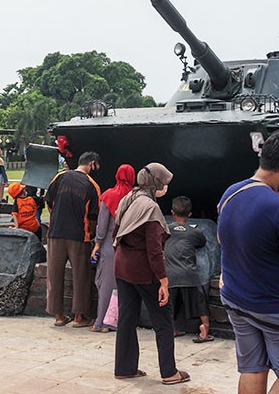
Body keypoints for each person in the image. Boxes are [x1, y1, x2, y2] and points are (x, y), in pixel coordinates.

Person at [217, 131, 279, 393]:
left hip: (236, 300)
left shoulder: (230, 193)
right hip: (275, 307)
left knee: (252, 367)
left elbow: (222, 238)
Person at [113, 163, 190, 385]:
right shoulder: (150, 209)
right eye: (164, 183)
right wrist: (163, 281)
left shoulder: (129, 198)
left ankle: (124, 368)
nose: (165, 188)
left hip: (122, 266)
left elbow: (116, 232)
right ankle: (169, 373)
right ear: (156, 183)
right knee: (164, 320)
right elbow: (154, 250)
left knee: (126, 318)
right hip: (143, 271)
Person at [45, 151, 101, 328]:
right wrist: (91, 234)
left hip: (55, 234)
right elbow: (93, 216)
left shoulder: (59, 177)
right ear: (91, 164)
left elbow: (48, 201)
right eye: (96, 166)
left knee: (54, 275)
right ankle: (78, 317)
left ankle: (59, 316)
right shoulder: (92, 185)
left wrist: (57, 219)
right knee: (81, 276)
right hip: (79, 236)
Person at [89, 163, 135, 333]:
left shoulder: (108, 196)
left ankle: (101, 322)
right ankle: (117, 322)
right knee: (124, 287)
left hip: (109, 245)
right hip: (129, 247)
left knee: (106, 284)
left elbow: (102, 226)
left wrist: (98, 244)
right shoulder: (134, 198)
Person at [164, 196, 213, 343]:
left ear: (172, 212)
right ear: (190, 214)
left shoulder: (166, 230)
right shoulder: (194, 233)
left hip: (170, 275)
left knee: (169, 305)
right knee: (200, 303)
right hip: (189, 274)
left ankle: (171, 329)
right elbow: (202, 242)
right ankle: (205, 329)